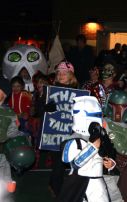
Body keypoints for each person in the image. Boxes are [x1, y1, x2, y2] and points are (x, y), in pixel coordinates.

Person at [57, 96, 113, 202]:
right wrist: (92, 147)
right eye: (96, 116)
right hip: (81, 184)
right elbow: (75, 163)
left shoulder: (97, 138)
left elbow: (104, 156)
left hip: (98, 183)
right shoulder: (74, 141)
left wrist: (109, 163)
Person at [48, 61, 79, 197]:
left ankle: (61, 186)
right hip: (55, 132)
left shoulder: (79, 92)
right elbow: (39, 109)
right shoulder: (50, 90)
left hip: (71, 132)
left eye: (64, 73)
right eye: (58, 73)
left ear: (71, 75)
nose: (60, 75)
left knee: (73, 162)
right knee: (58, 163)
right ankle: (57, 189)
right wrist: (46, 107)